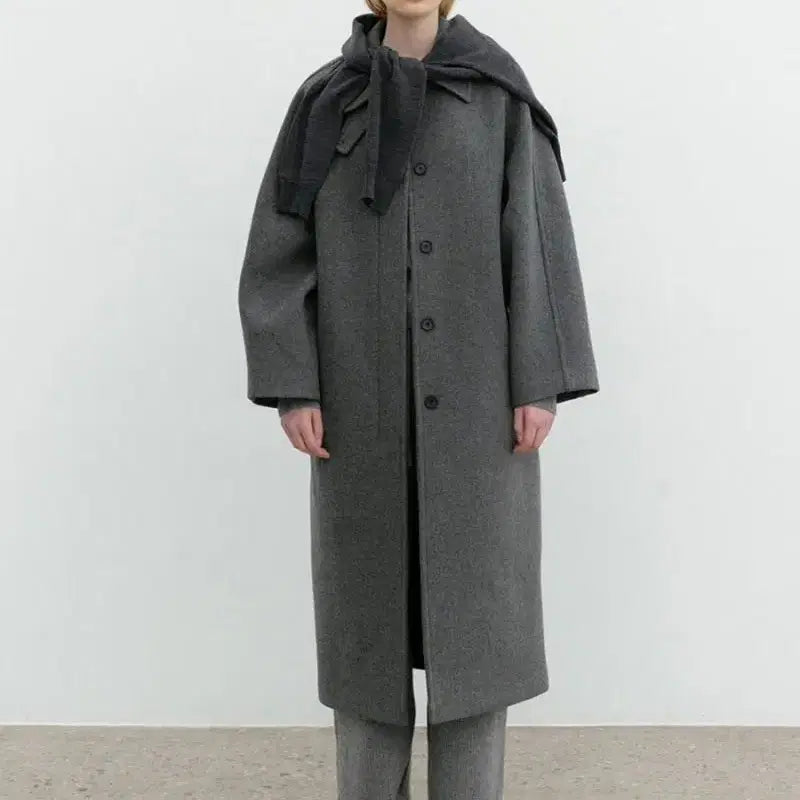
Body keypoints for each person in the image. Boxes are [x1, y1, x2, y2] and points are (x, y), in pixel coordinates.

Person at [237, 0, 599, 796]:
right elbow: (280, 247)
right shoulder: (327, 99)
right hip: (356, 418)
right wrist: (293, 382)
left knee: (478, 642)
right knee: (365, 645)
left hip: (479, 416)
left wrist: (538, 380)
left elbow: (537, 234)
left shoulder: (498, 97)